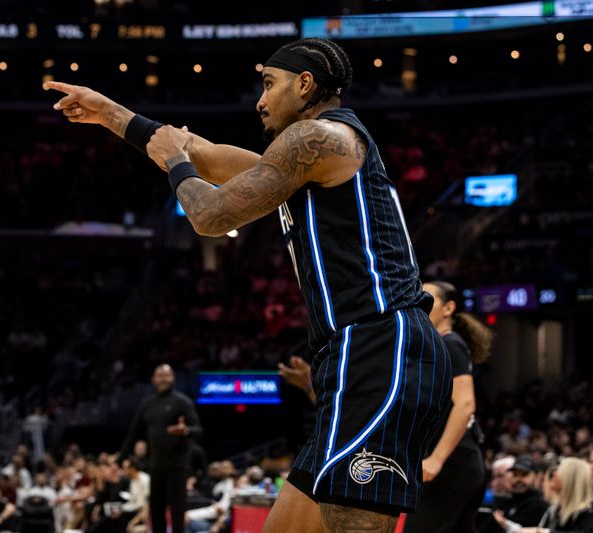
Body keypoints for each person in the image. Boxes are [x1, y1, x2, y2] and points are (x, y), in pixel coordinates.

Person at [47, 36, 452, 531]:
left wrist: (178, 164)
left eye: (268, 84)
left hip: (380, 347)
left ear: (304, 85)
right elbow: (207, 155)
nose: (259, 100)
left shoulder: (318, 139)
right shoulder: (301, 161)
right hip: (352, 352)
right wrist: (109, 111)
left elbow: (210, 213)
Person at [403, 280, 493, 533]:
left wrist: (436, 460)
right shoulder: (433, 346)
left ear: (449, 308)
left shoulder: (450, 344)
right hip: (460, 464)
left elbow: (465, 405)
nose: (418, 303)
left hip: (453, 464)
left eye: (427, 298)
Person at [118, 364, 202, 533]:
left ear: (173, 379)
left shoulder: (182, 402)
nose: (163, 378)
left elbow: (198, 430)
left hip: (177, 467)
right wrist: (120, 459)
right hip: (155, 466)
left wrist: (185, 431)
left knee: (177, 511)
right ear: (154, 379)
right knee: (156, 511)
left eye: (167, 375)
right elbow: (133, 434)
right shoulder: (147, 404)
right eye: (160, 375)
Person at [494, 457, 593, 533]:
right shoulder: (555, 510)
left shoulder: (588, 513)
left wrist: (544, 532)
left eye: (559, 472)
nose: (554, 475)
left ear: (571, 480)